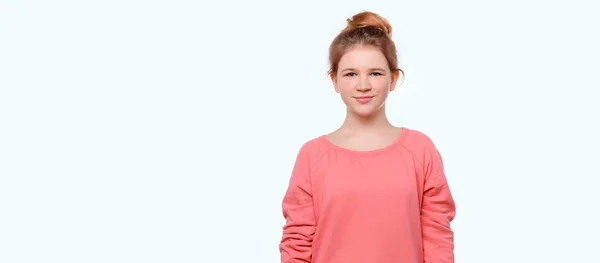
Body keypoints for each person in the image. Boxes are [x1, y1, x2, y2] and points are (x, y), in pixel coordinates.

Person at [278, 10, 456, 263]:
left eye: (375, 73)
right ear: (334, 81)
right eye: (350, 74)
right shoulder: (313, 155)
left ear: (393, 79)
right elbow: (296, 242)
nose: (363, 85)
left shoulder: (420, 150)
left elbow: (438, 238)